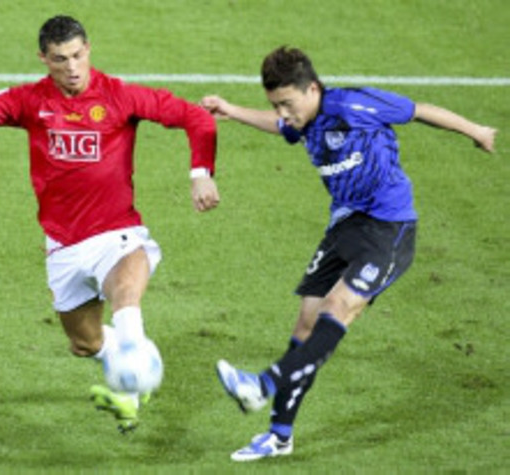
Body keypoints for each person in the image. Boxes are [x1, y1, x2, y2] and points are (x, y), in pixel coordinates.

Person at [201, 46, 496, 461]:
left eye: (287, 103)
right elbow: (280, 126)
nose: (283, 113)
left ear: (313, 89)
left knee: (338, 307)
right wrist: (232, 110)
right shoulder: (302, 120)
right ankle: (279, 436)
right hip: (344, 227)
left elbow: (419, 110)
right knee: (306, 323)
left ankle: (263, 384)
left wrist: (476, 131)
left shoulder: (355, 105)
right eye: (276, 104)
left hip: (388, 228)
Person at [0, 15, 220, 433]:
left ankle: (134, 362)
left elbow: (196, 118)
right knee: (84, 343)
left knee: (125, 294)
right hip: (63, 243)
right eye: (60, 59)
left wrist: (200, 174)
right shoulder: (30, 100)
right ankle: (125, 360)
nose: (72, 67)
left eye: (78, 55)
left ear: (89, 50)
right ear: (43, 59)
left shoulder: (120, 95)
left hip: (116, 232)